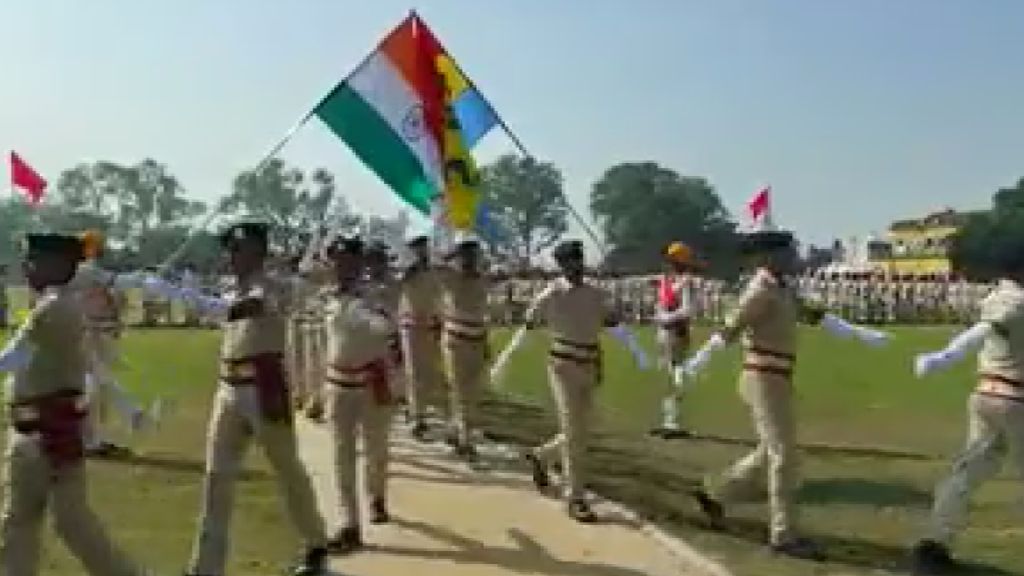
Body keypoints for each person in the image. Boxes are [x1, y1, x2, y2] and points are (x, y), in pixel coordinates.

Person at [185, 219, 328, 576]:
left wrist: (186, 297)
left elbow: (245, 309)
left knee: (287, 470)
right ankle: (206, 567)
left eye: (240, 249)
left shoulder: (274, 286)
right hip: (229, 385)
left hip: (263, 387)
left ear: (259, 252)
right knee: (216, 477)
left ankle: (315, 546)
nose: (233, 257)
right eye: (230, 250)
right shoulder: (232, 287)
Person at [0, 233, 148, 576]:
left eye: (34, 261)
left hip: (45, 430)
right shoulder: (56, 304)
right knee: (34, 522)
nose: (26, 268)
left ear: (60, 266)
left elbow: (13, 358)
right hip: (42, 426)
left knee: (52, 523)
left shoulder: (53, 308)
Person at [910, 234, 1024, 575]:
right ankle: (934, 543)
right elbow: (983, 330)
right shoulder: (1015, 302)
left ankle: (935, 541)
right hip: (1013, 398)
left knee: (968, 471)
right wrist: (944, 357)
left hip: (987, 394)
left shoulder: (998, 295)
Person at [523, 239, 616, 522]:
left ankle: (542, 456)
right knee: (575, 431)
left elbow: (610, 322)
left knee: (581, 430)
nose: (575, 264)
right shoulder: (553, 292)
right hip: (563, 363)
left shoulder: (595, 292)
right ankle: (575, 497)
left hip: (589, 360)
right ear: (561, 264)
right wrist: (545, 311)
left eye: (578, 259)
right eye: (569, 261)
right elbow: (529, 319)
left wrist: (610, 301)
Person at [321, 236, 394, 553]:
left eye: (348, 260)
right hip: (338, 384)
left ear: (359, 263)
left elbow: (386, 327)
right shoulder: (327, 296)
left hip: (370, 382)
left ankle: (377, 497)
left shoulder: (375, 294)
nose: (342, 266)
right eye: (337, 260)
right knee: (342, 455)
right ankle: (349, 522)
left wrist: (363, 313)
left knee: (376, 448)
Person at [72, 230, 149, 457]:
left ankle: (97, 435)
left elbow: (113, 292)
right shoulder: (86, 270)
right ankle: (127, 416)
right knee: (94, 384)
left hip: (92, 332)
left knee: (98, 382)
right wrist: (142, 277)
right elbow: (119, 282)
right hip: (85, 333)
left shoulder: (82, 270)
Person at [436, 234, 490, 460]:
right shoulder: (450, 277)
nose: (469, 258)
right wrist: (451, 254)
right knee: (460, 389)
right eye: (465, 254)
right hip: (456, 339)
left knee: (473, 390)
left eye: (472, 253)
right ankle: (466, 440)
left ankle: (455, 428)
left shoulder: (482, 279)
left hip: (477, 338)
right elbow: (434, 264)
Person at [361, 241, 403, 524]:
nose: (378, 266)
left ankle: (377, 498)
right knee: (356, 442)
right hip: (355, 365)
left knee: (378, 438)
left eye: (381, 261)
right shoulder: (355, 290)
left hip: (385, 360)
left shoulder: (395, 285)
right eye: (373, 261)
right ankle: (350, 513)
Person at [650, 241, 704, 439]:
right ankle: (668, 421)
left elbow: (688, 309)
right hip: (663, 334)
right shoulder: (666, 281)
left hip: (676, 333)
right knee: (666, 375)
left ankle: (675, 422)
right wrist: (659, 314)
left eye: (672, 260)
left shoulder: (685, 282)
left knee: (676, 375)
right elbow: (661, 304)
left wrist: (666, 317)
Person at [398, 235, 443, 440]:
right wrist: (412, 268)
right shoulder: (407, 269)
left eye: (424, 248)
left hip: (430, 324)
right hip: (411, 325)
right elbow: (400, 281)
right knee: (414, 371)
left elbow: (439, 296)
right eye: (418, 248)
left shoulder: (434, 270)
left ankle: (417, 408)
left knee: (428, 372)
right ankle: (418, 418)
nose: (422, 252)